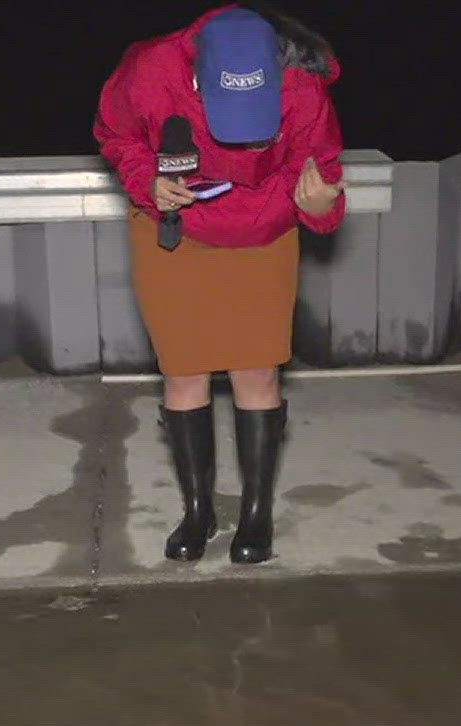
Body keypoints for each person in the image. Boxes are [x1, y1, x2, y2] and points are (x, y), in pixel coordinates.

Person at [94, 3, 347, 564]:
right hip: (176, 230)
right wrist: (147, 183)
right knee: (185, 371)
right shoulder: (148, 69)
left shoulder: (301, 88)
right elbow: (116, 134)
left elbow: (323, 172)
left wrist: (323, 205)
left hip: (263, 233)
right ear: (196, 74)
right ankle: (197, 510)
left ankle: (256, 514)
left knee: (256, 370)